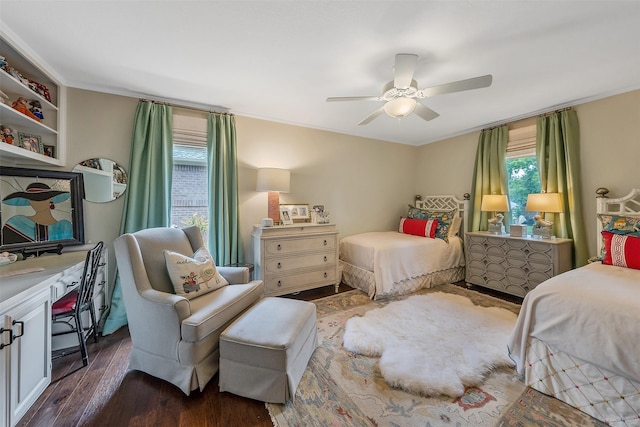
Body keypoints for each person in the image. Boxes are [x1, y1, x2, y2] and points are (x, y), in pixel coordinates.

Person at [1, 182, 73, 244]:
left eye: (43, 197)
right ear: (29, 201)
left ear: (51, 199)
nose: (37, 202)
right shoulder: (17, 222)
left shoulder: (64, 227)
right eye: (32, 199)